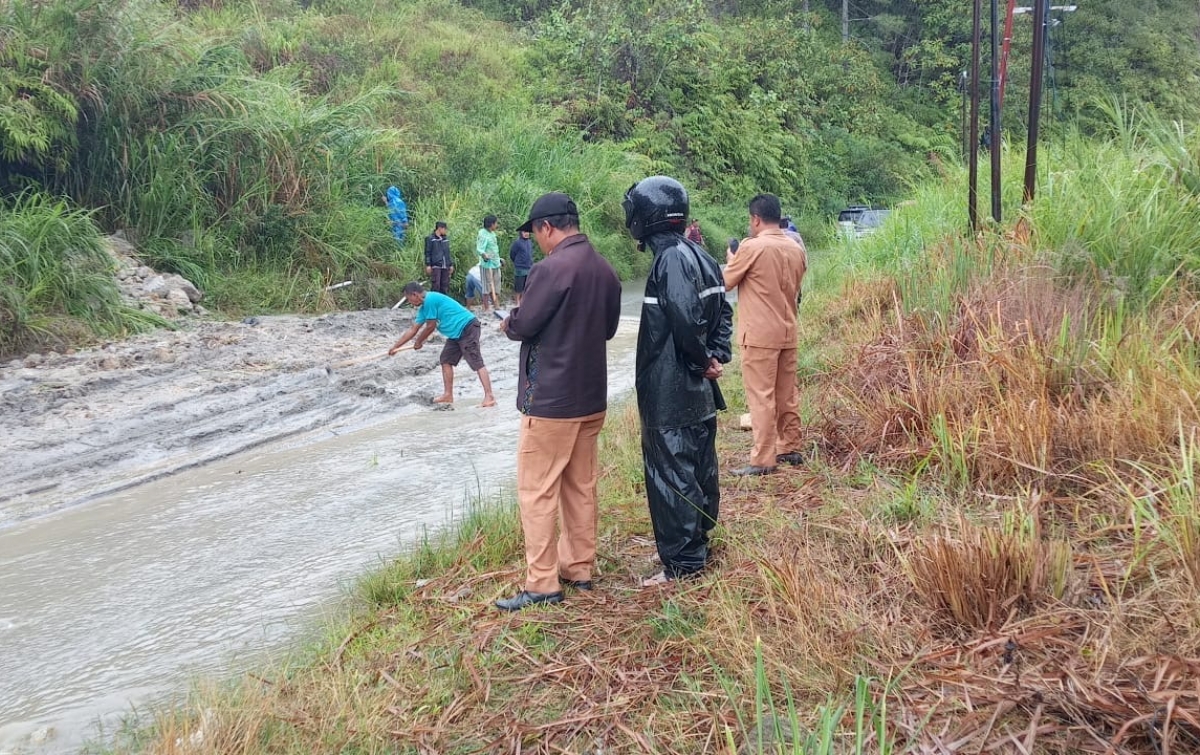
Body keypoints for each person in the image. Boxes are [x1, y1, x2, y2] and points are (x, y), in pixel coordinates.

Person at [496, 192, 621, 611]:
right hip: (591, 399)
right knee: (580, 487)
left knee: (537, 491)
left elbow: (525, 324)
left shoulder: (549, 269)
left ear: (547, 227)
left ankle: (542, 583)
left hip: (551, 401)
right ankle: (578, 569)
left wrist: (508, 322)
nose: (537, 240)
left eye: (536, 232)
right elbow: (607, 330)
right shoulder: (605, 269)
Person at [623, 176, 732, 586]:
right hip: (696, 392)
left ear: (644, 217)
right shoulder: (700, 254)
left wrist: (702, 361)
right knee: (698, 466)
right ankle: (696, 543)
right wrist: (715, 355)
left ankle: (684, 564)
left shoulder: (669, 259)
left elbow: (685, 317)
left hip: (669, 390)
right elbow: (722, 311)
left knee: (672, 476)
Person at [722, 193, 807, 476]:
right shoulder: (795, 247)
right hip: (788, 330)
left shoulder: (752, 247)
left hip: (759, 335)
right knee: (787, 394)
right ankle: (790, 446)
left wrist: (732, 260)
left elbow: (726, 282)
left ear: (756, 219)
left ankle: (762, 459)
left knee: (761, 397)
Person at [388, 282, 496, 408]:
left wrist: (419, 342)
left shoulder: (430, 300)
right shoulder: (423, 309)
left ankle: (489, 396)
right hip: (455, 334)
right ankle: (448, 395)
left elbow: (430, 326)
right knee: (445, 360)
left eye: (409, 299)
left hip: (467, 327)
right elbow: (413, 329)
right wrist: (396, 347)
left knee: (476, 361)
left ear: (415, 294)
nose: (410, 302)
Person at [476, 214, 502, 313]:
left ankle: (496, 304)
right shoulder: (483, 234)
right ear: (491, 224)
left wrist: (499, 259)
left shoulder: (492, 233)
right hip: (487, 265)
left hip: (495, 263)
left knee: (497, 283)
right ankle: (486, 306)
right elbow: (479, 248)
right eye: (496, 223)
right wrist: (484, 255)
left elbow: (494, 248)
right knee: (487, 286)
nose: (497, 225)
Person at [424, 221, 453, 294]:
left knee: (445, 285)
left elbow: (447, 252)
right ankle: (434, 299)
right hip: (436, 265)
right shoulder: (430, 238)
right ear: (440, 228)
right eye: (445, 229)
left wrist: (450, 264)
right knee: (436, 285)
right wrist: (428, 265)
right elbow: (427, 252)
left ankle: (443, 300)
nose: (446, 231)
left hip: (445, 265)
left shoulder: (445, 239)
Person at [509, 228, 534, 306]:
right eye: (524, 232)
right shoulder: (517, 243)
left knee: (526, 285)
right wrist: (517, 262)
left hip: (528, 266)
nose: (526, 233)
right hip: (520, 267)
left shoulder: (529, 242)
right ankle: (517, 302)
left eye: (527, 232)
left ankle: (523, 301)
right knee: (518, 285)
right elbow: (512, 253)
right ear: (521, 233)